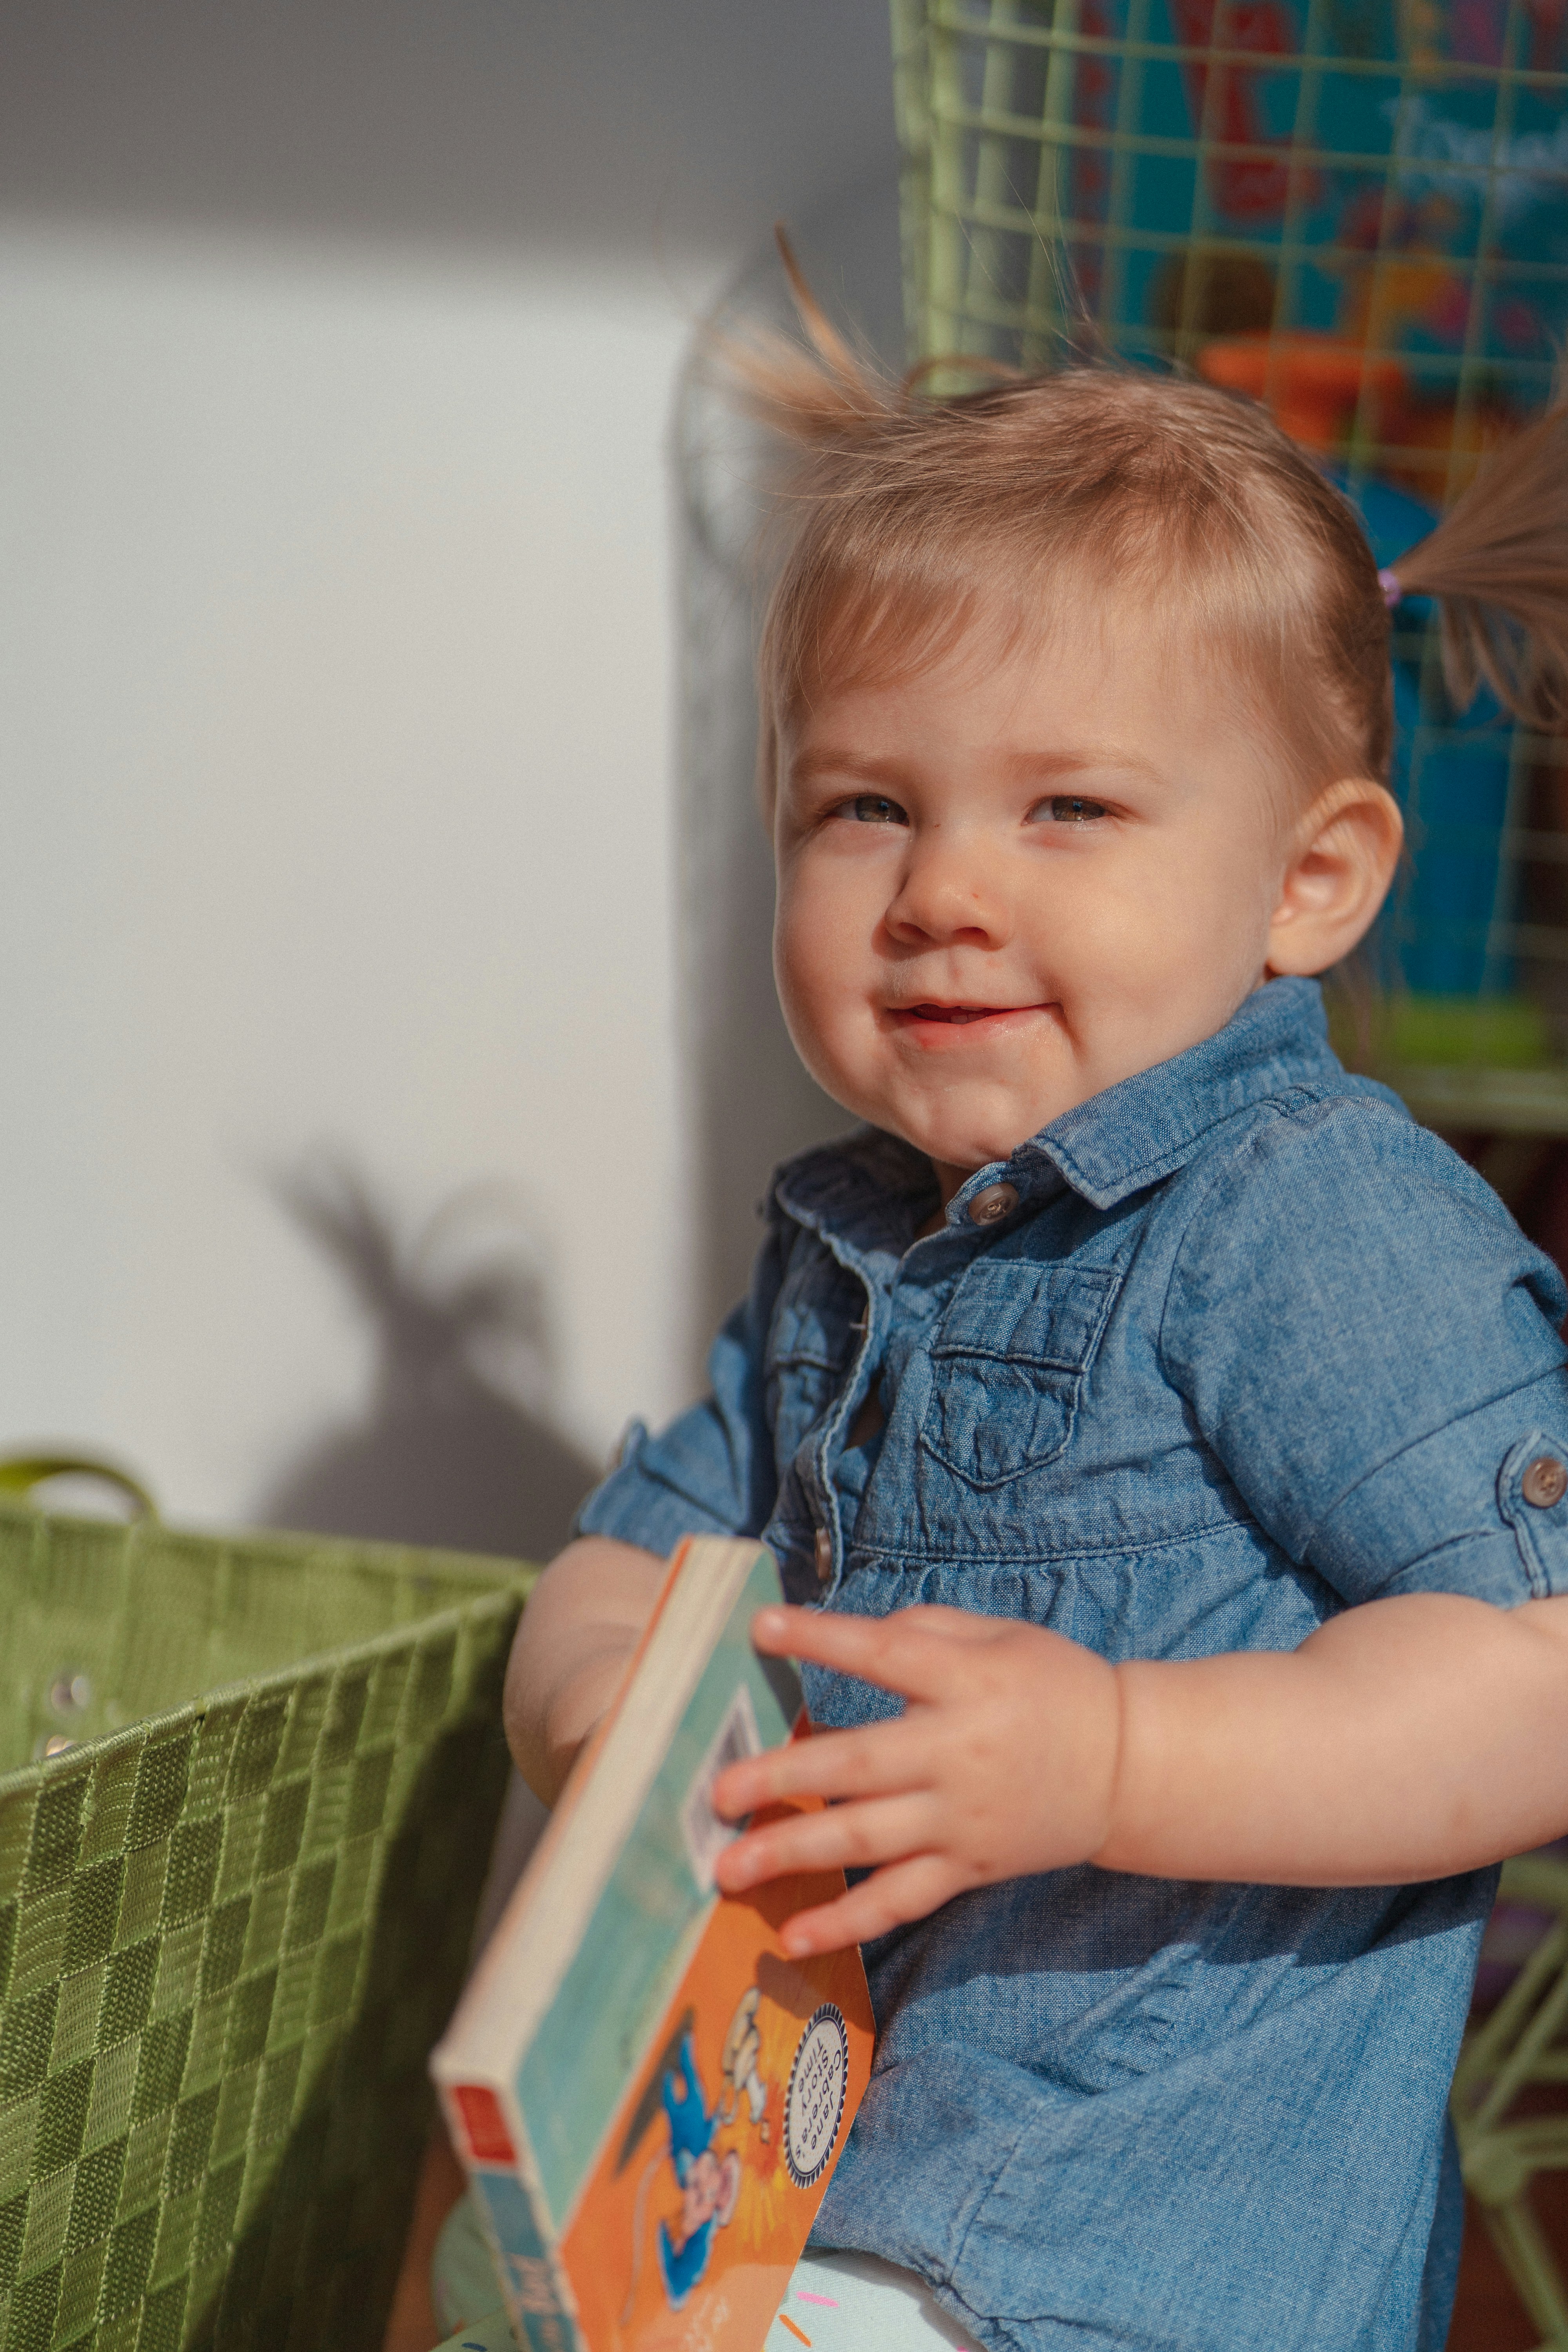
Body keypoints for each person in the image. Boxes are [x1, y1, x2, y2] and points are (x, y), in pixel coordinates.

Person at [503, 258, 1568, 2351]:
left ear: (1312, 882)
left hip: (1137, 2257)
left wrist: (1117, 1757)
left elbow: (1540, 1677)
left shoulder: (1312, 1221)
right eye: (865, 806)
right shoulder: (857, 1243)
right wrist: (613, 1715)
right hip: (824, 2171)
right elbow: (636, 1564)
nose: (943, 889)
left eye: (1065, 807)